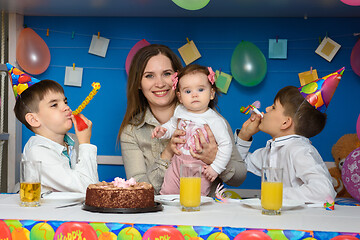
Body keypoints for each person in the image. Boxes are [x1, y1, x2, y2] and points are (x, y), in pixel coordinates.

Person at [118, 44, 247, 196]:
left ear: (178, 79)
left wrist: (213, 158)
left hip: (205, 215)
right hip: (161, 217)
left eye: (166, 74)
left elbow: (239, 178)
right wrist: (167, 154)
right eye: (149, 76)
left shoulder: (211, 120)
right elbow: (139, 191)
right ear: (139, 83)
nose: (160, 83)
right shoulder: (131, 132)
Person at [235, 86, 336, 203]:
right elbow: (239, 164)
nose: (267, 109)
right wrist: (244, 135)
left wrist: (277, 193)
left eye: (273, 107)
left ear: (285, 122)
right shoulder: (271, 150)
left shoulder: (299, 151)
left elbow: (324, 192)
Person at [152, 64, 232, 196]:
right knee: (167, 192)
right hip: (177, 163)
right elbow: (172, 125)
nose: (194, 95)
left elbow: (226, 145)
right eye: (188, 91)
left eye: (200, 90)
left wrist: (216, 167)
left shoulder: (215, 120)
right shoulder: (180, 111)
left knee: (194, 197)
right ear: (180, 97)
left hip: (199, 167)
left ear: (211, 93)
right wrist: (164, 131)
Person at [14, 79, 98, 193]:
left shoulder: (73, 141)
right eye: (54, 105)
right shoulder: (38, 152)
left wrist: (82, 142)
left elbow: (91, 182)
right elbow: (88, 189)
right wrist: (86, 144)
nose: (66, 107)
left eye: (65, 102)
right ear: (33, 119)